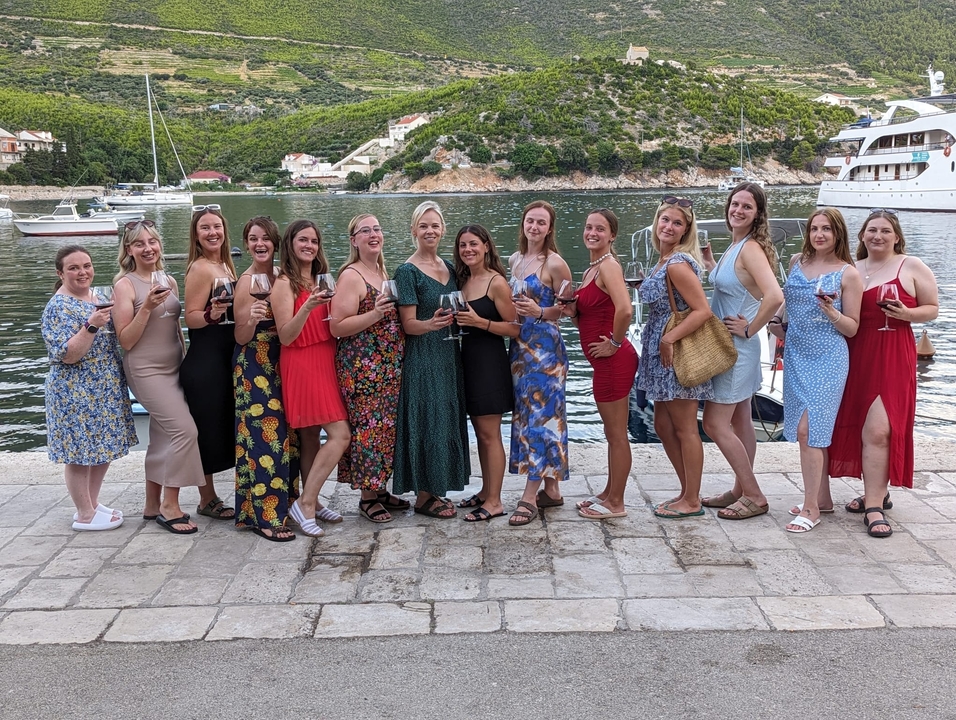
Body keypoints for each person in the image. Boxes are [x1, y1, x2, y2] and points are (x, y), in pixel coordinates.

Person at [828, 210, 938, 538]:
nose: (878, 236)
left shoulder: (911, 265)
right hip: (853, 353)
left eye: (885, 231)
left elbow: (932, 308)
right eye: (872, 230)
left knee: (879, 430)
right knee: (859, 426)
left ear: (896, 237)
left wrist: (908, 313)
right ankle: (877, 492)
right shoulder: (851, 268)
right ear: (862, 235)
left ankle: (873, 506)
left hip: (892, 353)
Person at [769, 208, 862, 534]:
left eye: (827, 229)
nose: (819, 234)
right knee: (810, 432)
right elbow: (789, 298)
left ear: (838, 234)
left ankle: (810, 508)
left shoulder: (848, 274)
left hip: (829, 358)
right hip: (796, 355)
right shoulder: (797, 262)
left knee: (809, 430)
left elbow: (852, 328)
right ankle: (821, 498)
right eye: (814, 229)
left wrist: (831, 311)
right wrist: (777, 320)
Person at [113, 221, 203, 534]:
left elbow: (175, 328)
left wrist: (186, 361)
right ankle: (170, 506)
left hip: (174, 366)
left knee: (163, 435)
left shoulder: (168, 280)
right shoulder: (124, 286)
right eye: (139, 244)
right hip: (145, 369)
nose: (148, 248)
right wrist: (146, 307)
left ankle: (152, 504)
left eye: (152, 241)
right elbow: (126, 340)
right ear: (129, 250)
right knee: (185, 431)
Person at [700, 183, 784, 520]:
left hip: (735, 349)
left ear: (757, 214)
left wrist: (750, 328)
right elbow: (738, 289)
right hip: (734, 347)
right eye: (735, 204)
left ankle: (754, 495)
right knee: (740, 420)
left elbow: (774, 296)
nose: (738, 210)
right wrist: (711, 264)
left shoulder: (749, 248)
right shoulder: (736, 245)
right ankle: (739, 490)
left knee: (714, 423)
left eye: (747, 206)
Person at [41, 245, 135, 531]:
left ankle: (92, 503)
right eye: (73, 268)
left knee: (103, 448)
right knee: (79, 454)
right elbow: (67, 355)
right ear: (60, 273)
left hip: (104, 386)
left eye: (86, 266)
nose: (82, 272)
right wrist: (91, 325)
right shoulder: (58, 307)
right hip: (74, 390)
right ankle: (84, 514)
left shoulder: (98, 296)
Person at [635, 196, 713, 520]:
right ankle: (686, 491)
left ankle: (692, 499)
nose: (668, 226)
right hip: (659, 352)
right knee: (662, 424)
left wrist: (668, 338)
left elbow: (702, 310)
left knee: (684, 427)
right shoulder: (663, 259)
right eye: (665, 220)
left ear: (685, 230)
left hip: (675, 350)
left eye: (677, 223)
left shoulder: (678, 263)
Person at [273, 219, 351, 537]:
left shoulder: (321, 279)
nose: (309, 246)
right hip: (302, 361)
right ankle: (304, 503)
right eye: (303, 240)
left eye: (314, 241)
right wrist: (306, 307)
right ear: (290, 244)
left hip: (325, 358)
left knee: (310, 437)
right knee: (340, 435)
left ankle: (313, 501)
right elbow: (286, 336)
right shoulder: (284, 283)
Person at [393, 201, 470, 519]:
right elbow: (408, 324)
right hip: (422, 357)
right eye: (423, 225)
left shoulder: (449, 266)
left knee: (445, 419)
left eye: (435, 225)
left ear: (443, 230)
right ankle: (424, 496)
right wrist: (432, 324)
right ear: (414, 230)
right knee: (427, 420)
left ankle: (437, 487)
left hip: (449, 355)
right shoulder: (406, 271)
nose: (430, 231)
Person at [330, 214, 408, 524]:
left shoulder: (381, 272)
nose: (373, 234)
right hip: (363, 367)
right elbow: (337, 326)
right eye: (365, 231)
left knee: (385, 429)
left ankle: (380, 490)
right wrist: (375, 314)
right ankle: (367, 498)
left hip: (387, 366)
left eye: (377, 229)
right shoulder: (352, 276)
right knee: (368, 429)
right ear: (354, 240)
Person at [233, 216, 300, 542]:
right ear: (246, 244)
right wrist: (250, 319)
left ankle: (286, 505)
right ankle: (265, 517)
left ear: (275, 243)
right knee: (263, 438)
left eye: (265, 239)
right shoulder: (246, 282)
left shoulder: (280, 276)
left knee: (287, 436)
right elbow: (239, 336)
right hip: (254, 365)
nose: (259, 244)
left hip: (282, 362)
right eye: (253, 238)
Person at [568, 209, 637, 520]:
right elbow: (589, 318)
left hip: (613, 362)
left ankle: (616, 503)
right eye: (588, 227)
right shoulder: (591, 269)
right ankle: (609, 492)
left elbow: (625, 309)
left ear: (612, 235)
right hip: (603, 365)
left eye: (600, 229)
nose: (592, 233)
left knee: (617, 434)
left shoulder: (609, 266)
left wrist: (615, 343)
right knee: (612, 433)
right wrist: (572, 311)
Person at [507, 200, 573, 527]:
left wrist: (541, 311)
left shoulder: (555, 264)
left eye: (541, 222)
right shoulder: (514, 259)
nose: (534, 227)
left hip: (546, 351)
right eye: (530, 220)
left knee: (541, 418)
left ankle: (529, 496)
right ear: (523, 223)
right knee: (529, 416)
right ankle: (552, 489)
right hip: (519, 349)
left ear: (549, 229)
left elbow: (569, 308)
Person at [453, 224, 519, 522]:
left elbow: (515, 328)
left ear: (486, 246)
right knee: (480, 433)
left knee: (491, 435)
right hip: (467, 361)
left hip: (489, 364)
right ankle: (485, 491)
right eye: (463, 245)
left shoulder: (496, 282)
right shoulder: (463, 280)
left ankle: (495, 501)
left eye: (473, 244)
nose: (468, 250)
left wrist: (480, 322)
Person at [179, 204, 237, 521]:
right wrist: (211, 315)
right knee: (207, 430)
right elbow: (190, 318)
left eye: (217, 226)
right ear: (196, 235)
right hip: (207, 360)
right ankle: (206, 499)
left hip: (224, 356)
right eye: (205, 228)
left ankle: (212, 495)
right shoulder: (201, 268)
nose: (212, 232)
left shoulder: (225, 264)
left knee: (220, 426)